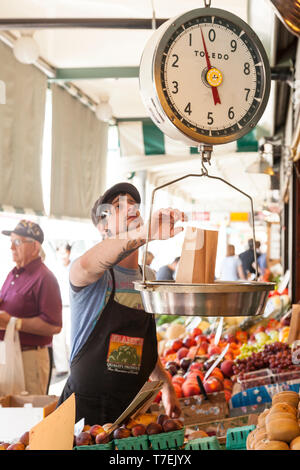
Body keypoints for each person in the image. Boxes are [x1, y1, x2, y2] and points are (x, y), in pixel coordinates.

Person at [57, 182, 185, 425]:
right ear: (103, 226)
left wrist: (165, 382)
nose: (130, 208)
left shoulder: (147, 277)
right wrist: (144, 233)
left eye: (134, 204)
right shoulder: (91, 274)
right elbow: (86, 265)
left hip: (128, 412)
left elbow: (140, 342)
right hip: (82, 413)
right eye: (118, 206)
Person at [0, 220, 62, 395]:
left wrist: (13, 322)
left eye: (18, 241)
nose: (11, 247)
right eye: (11, 241)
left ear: (35, 246)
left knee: (29, 415)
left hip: (30, 358)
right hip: (8, 354)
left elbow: (54, 326)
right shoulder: (13, 273)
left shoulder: (45, 278)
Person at [52, 243, 72, 378]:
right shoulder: (54, 268)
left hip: (71, 307)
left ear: (69, 252)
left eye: (64, 252)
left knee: (70, 338)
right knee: (58, 338)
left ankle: (73, 366)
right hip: (58, 307)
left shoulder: (74, 266)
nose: (62, 255)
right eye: (59, 252)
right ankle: (61, 367)